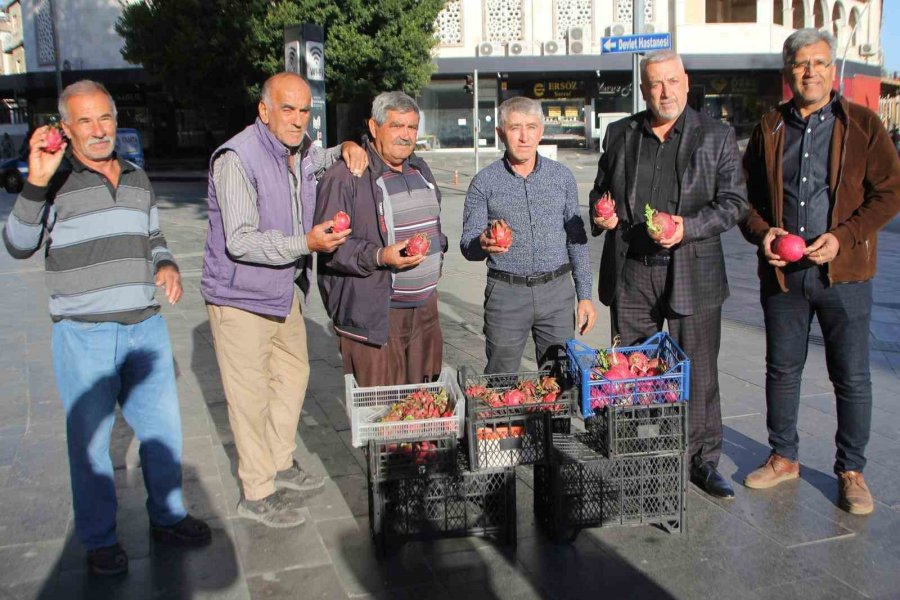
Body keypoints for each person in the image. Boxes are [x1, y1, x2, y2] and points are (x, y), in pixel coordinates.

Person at [2, 80, 211, 576]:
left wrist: (166, 263)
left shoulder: (137, 177)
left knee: (162, 432)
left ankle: (168, 516)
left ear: (116, 121)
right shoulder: (54, 179)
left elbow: (153, 234)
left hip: (145, 328)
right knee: (91, 443)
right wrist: (36, 182)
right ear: (66, 128)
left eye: (105, 118)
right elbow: (18, 244)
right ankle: (98, 539)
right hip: (84, 334)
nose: (98, 130)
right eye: (85, 121)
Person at [740, 29, 900, 515]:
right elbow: (743, 198)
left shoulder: (864, 124)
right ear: (788, 72)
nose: (810, 71)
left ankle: (851, 470)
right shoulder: (769, 127)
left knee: (851, 376)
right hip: (784, 275)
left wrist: (844, 237)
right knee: (782, 369)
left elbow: (890, 192)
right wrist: (762, 232)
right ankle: (783, 456)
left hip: (843, 274)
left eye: (819, 62)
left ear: (834, 70)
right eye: (801, 63)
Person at [201, 72, 367, 528]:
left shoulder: (300, 150)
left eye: (304, 110)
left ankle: (279, 461)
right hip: (239, 296)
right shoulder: (237, 158)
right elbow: (240, 240)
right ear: (264, 110)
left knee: (293, 377)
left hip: (282, 290)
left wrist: (346, 147)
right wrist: (306, 244)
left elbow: (320, 160)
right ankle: (256, 492)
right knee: (249, 396)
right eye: (287, 109)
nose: (297, 119)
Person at [589, 50, 748, 499]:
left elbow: (735, 203)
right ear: (643, 89)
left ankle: (702, 460)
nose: (665, 92)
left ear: (686, 82)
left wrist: (687, 228)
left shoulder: (716, 135)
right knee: (633, 370)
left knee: (697, 371)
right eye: (656, 83)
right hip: (632, 273)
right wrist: (601, 213)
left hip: (692, 270)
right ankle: (642, 452)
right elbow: (601, 190)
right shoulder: (620, 133)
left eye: (672, 81)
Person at [316, 91, 447, 386]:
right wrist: (380, 256)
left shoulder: (420, 169)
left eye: (412, 127)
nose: (406, 135)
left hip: (424, 312)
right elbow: (329, 248)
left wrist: (439, 251)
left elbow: (434, 226)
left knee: (422, 403)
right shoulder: (346, 176)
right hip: (375, 317)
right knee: (381, 406)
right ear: (374, 128)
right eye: (396, 126)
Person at [461, 96, 596, 374]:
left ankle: (555, 405)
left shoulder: (562, 177)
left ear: (541, 131)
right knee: (502, 378)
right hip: (506, 294)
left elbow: (577, 240)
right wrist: (482, 243)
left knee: (560, 378)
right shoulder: (483, 182)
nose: (524, 137)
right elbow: (467, 245)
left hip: (557, 293)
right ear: (500, 133)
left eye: (531, 127)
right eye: (515, 128)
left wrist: (585, 296)